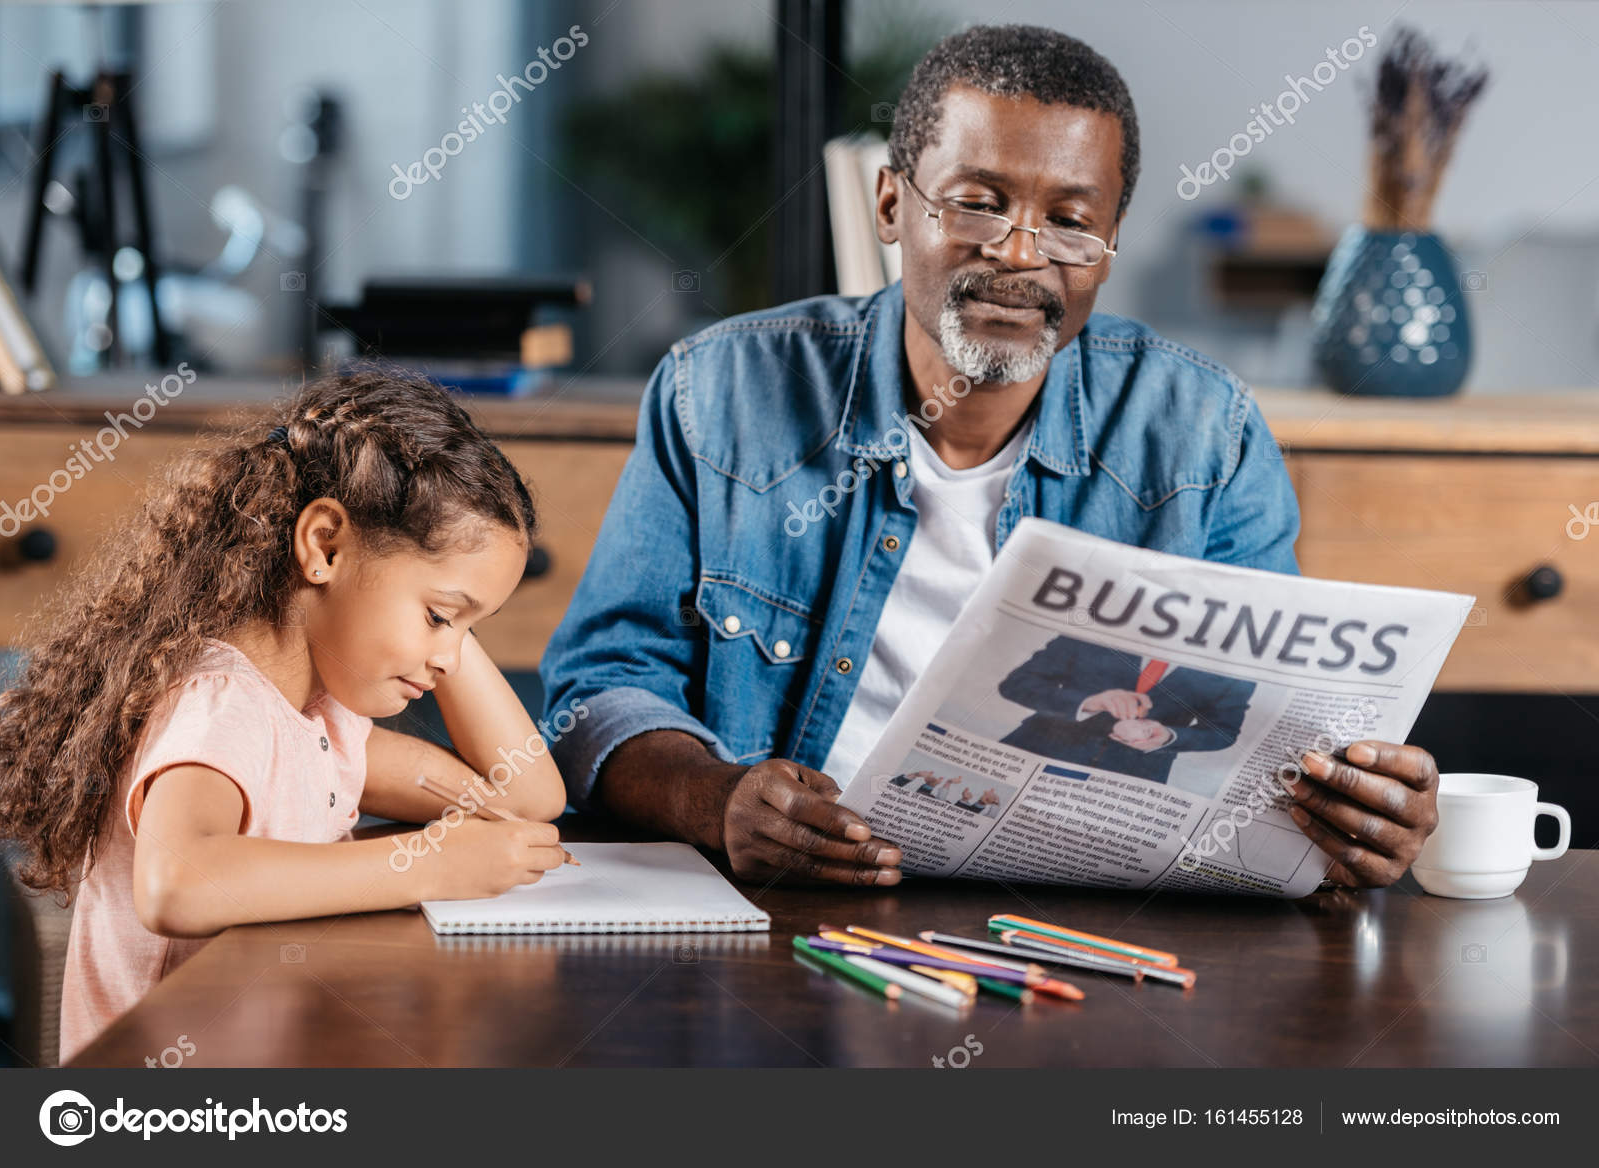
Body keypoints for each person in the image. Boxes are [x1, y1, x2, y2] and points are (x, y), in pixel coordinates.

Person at [541, 24, 1439, 892]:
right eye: (977, 202)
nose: (1018, 254)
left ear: (1109, 247)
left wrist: (1355, 812)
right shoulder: (721, 389)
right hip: (789, 904)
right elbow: (600, 689)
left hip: (1073, 931)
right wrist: (716, 800)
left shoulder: (1205, 432)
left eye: (1070, 222)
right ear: (892, 204)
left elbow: (1253, 740)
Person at [0, 368, 570, 1064]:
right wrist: (429, 866)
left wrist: (457, 614)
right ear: (324, 546)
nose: (450, 656)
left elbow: (524, 796)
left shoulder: (319, 721)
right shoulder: (220, 701)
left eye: (464, 630)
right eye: (437, 616)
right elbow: (176, 881)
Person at [998, 639, 1254, 783]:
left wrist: (1167, 735)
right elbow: (1017, 684)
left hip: (1131, 776)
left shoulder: (1237, 662)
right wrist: (1089, 701)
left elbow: (1223, 731)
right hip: (1036, 750)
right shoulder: (1097, 625)